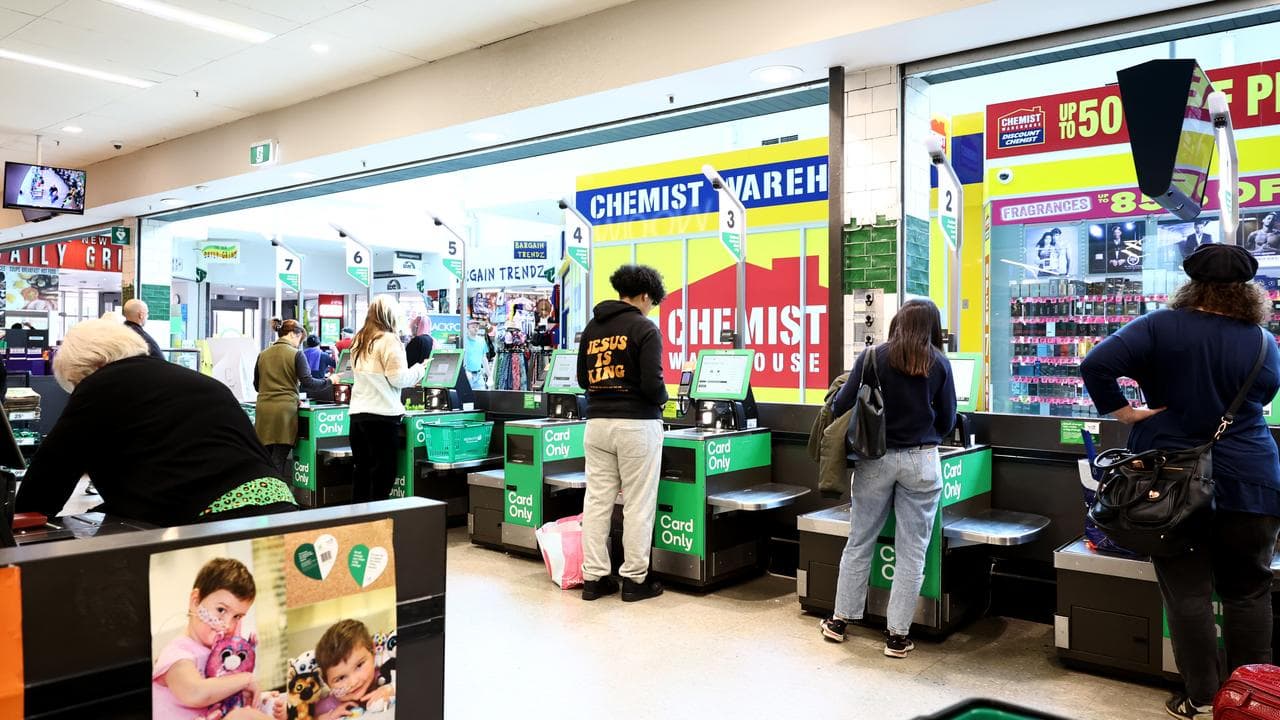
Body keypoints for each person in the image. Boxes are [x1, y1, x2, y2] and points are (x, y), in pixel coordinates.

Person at [1080, 244, 1280, 719]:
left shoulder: (1158, 326)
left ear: (1190, 286)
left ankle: (1203, 699)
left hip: (1170, 482)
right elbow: (1267, 389)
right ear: (1248, 294)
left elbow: (1096, 364)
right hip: (1251, 478)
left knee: (1187, 590)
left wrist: (1125, 411)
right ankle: (1251, 702)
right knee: (1248, 591)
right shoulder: (1261, 341)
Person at [14, 319, 296, 526]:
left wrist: (20, 524)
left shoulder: (101, 385)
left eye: (75, 383)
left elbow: (50, 475)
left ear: (90, 367)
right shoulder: (201, 382)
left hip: (209, 521)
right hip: (280, 508)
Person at [820, 299, 957, 658]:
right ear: (933, 327)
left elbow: (841, 405)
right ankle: (897, 636)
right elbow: (947, 419)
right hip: (922, 462)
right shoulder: (940, 363)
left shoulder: (871, 358)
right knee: (912, 551)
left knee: (860, 540)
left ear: (898, 321)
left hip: (875, 459)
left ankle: (839, 621)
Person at [576, 265, 669, 603]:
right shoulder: (644, 328)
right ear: (644, 296)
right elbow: (651, 384)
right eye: (651, 301)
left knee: (597, 502)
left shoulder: (592, 328)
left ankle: (594, 578)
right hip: (636, 425)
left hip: (597, 422)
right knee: (638, 505)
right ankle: (633, 580)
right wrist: (664, 400)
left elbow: (583, 380)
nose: (650, 307)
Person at [152, 558, 285, 720]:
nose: (227, 625)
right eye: (221, 610)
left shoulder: (220, 656)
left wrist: (257, 699)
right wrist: (245, 679)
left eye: (237, 616)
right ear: (195, 601)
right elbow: (196, 692)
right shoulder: (177, 655)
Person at [348, 296, 425, 502]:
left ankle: (358, 520)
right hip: (382, 417)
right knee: (383, 473)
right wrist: (420, 369)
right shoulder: (389, 340)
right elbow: (398, 378)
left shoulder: (359, 339)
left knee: (362, 470)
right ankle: (377, 523)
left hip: (357, 415)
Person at [254, 320, 331, 480]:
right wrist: (331, 381)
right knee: (279, 459)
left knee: (265, 458)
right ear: (293, 334)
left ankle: (265, 496)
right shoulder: (296, 354)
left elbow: (256, 385)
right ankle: (277, 498)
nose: (299, 344)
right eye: (299, 339)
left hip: (263, 411)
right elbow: (309, 382)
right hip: (284, 412)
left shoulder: (263, 354)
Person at [311, 620, 395, 719]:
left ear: (373, 650)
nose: (353, 682)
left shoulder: (385, 675)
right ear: (326, 682)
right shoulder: (326, 705)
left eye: (359, 665)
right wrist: (326, 717)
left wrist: (391, 689)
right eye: (341, 678)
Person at [463, 322, 487, 390]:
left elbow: (484, 358)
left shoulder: (481, 340)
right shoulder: (463, 341)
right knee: (467, 397)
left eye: (477, 326)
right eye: (473, 327)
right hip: (467, 375)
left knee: (481, 396)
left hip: (478, 375)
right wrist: (464, 371)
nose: (475, 328)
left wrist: (489, 375)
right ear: (468, 328)